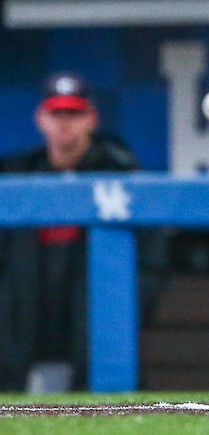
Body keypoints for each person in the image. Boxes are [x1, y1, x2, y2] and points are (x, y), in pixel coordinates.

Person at [0, 72, 167, 391]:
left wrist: (126, 316)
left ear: (91, 119)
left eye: (74, 114)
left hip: (96, 336)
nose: (65, 123)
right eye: (56, 113)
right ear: (40, 119)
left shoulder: (122, 175)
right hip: (24, 335)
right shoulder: (15, 176)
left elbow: (152, 263)